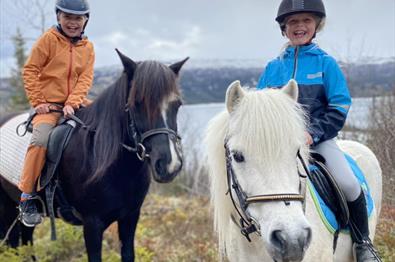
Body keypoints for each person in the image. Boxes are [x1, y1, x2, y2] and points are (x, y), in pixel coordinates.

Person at [256, 0, 380, 261]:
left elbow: (339, 105)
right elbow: (260, 110)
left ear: (316, 26)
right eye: (293, 22)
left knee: (348, 184)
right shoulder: (272, 68)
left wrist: (313, 132)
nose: (299, 26)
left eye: (306, 21)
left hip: (318, 141)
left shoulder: (326, 64)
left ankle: (363, 243)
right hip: (281, 147)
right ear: (284, 28)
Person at [18, 0, 94, 227]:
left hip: (77, 103)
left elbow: (85, 78)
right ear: (59, 17)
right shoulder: (48, 40)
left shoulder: (88, 47)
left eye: (78, 18)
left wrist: (73, 102)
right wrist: (39, 101)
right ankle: (27, 197)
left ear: (85, 21)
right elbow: (30, 70)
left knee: (104, 126)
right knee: (41, 140)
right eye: (68, 17)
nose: (73, 23)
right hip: (49, 106)